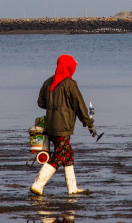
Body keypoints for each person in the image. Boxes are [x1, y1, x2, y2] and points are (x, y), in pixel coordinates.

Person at [30, 54, 96, 195]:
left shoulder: (48, 82)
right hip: (63, 127)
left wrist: (53, 105)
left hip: (50, 126)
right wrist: (89, 123)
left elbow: (41, 103)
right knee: (59, 155)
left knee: (68, 154)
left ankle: (72, 188)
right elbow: (80, 106)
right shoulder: (70, 84)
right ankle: (38, 183)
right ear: (69, 67)